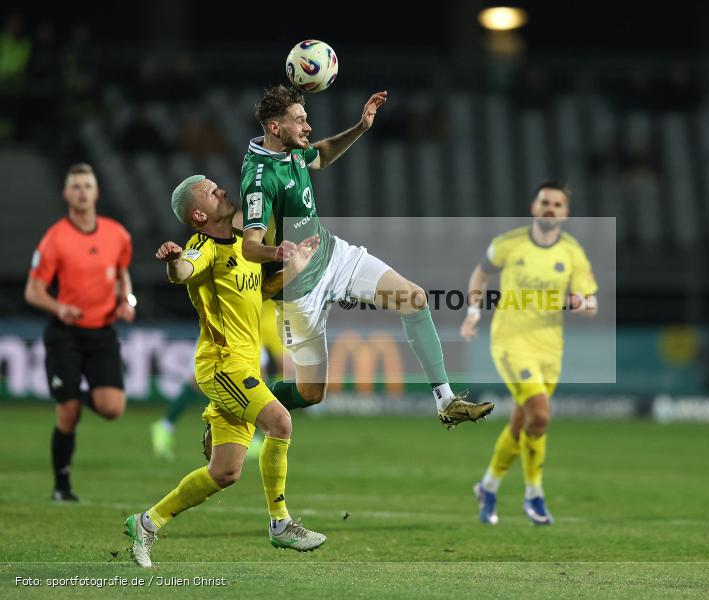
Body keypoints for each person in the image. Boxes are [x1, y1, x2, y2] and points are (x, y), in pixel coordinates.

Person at [239, 84, 493, 428]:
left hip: (332, 257)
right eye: (300, 120)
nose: (307, 127)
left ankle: (446, 400)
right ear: (274, 127)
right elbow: (249, 246)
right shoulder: (260, 178)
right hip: (297, 289)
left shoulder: (293, 148)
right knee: (312, 394)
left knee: (414, 299)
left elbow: (323, 154)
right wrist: (278, 251)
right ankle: (240, 408)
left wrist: (361, 127)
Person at [124, 175, 322, 567]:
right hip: (222, 364)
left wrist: (296, 266)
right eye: (212, 192)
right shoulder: (204, 249)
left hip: (245, 363)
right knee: (280, 423)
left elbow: (262, 292)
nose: (223, 191)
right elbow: (183, 271)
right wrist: (173, 261)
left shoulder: (245, 246)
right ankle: (280, 524)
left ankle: (146, 523)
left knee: (226, 471)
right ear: (199, 214)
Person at [460, 181, 598, 525]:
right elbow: (480, 273)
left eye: (557, 204)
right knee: (540, 413)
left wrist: (583, 305)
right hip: (511, 341)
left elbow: (591, 301)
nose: (550, 208)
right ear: (534, 208)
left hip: (550, 348)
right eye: (545, 202)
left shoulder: (573, 254)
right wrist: (473, 312)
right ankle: (534, 494)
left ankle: (488, 487)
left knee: (525, 422)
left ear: (565, 213)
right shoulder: (510, 244)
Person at [25, 162, 135, 502]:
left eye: (87, 185)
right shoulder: (55, 238)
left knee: (112, 408)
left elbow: (122, 274)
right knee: (68, 413)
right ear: (66, 194)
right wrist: (59, 307)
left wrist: (127, 301)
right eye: (75, 186)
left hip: (102, 331)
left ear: (97, 192)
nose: (82, 192)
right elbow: (33, 290)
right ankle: (62, 486)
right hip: (66, 334)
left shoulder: (117, 234)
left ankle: (72, 394)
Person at [150, 299, 283, 461]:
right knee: (199, 381)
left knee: (258, 378)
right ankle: (165, 425)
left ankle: (252, 438)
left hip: (246, 326)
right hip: (221, 325)